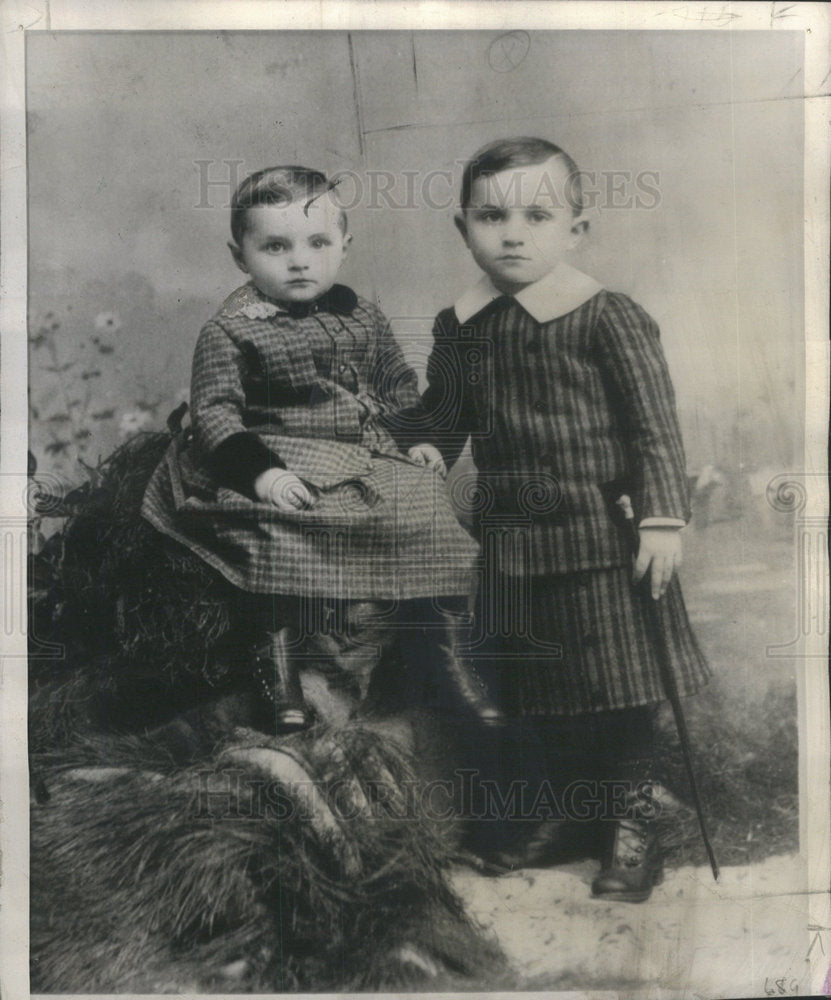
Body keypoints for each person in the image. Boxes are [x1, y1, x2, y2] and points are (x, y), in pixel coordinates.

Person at [419, 137, 712, 902]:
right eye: (491, 216)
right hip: (513, 543)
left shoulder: (604, 317)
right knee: (536, 689)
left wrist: (659, 522)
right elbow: (445, 419)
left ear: (574, 232)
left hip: (599, 539)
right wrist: (421, 449)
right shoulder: (462, 327)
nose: (512, 233)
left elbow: (654, 427)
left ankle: (631, 824)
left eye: (537, 216)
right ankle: (563, 812)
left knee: (620, 687)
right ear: (463, 229)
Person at [142, 164, 497, 733]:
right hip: (268, 450)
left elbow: (396, 385)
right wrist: (263, 475)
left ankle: (444, 662)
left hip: (357, 456)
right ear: (241, 256)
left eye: (317, 243)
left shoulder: (362, 316)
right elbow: (214, 411)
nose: (299, 260)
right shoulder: (231, 329)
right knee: (275, 533)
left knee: (431, 511)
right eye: (275, 246)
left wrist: (416, 443)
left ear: (343, 247)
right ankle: (278, 672)